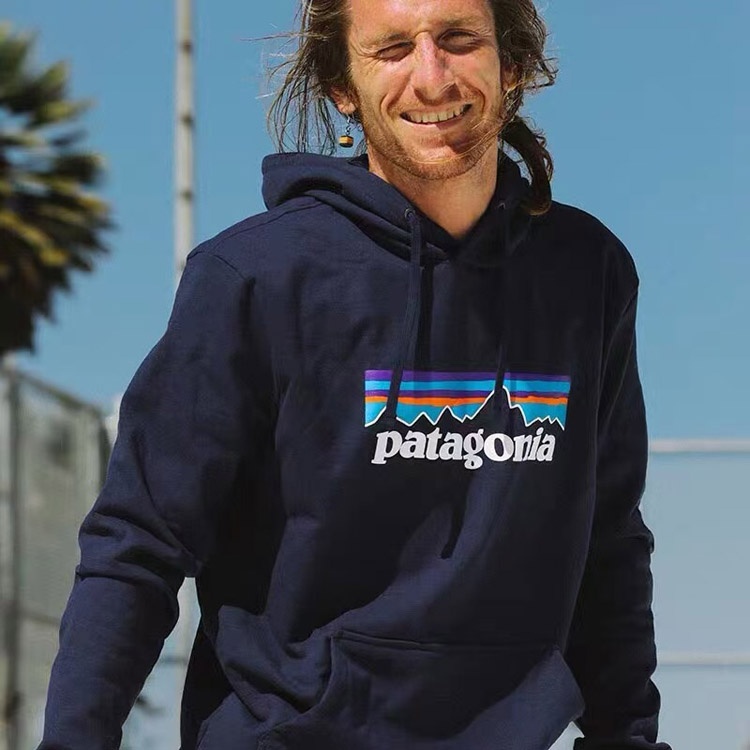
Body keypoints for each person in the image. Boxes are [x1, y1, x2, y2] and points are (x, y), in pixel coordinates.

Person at [39, 0, 672, 748]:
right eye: (393, 49)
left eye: (459, 39)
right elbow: (139, 543)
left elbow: (609, 540)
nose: (431, 77)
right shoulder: (254, 277)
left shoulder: (586, 274)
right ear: (342, 85)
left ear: (513, 64)